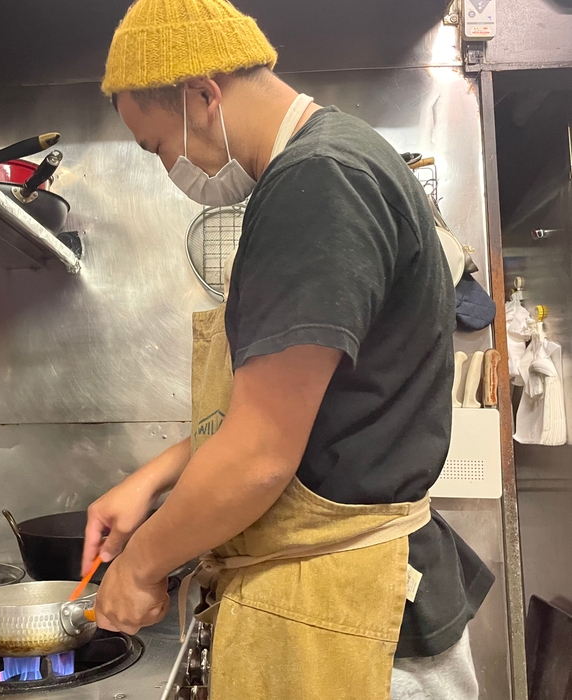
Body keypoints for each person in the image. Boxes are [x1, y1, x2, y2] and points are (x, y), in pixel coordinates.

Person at [83, 0, 494, 697]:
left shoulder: (317, 180)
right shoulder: (344, 158)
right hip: (344, 602)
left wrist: (140, 566)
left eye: (156, 146)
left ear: (202, 95)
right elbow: (302, 409)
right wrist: (150, 479)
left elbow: (260, 453)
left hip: (351, 622)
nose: (168, 167)